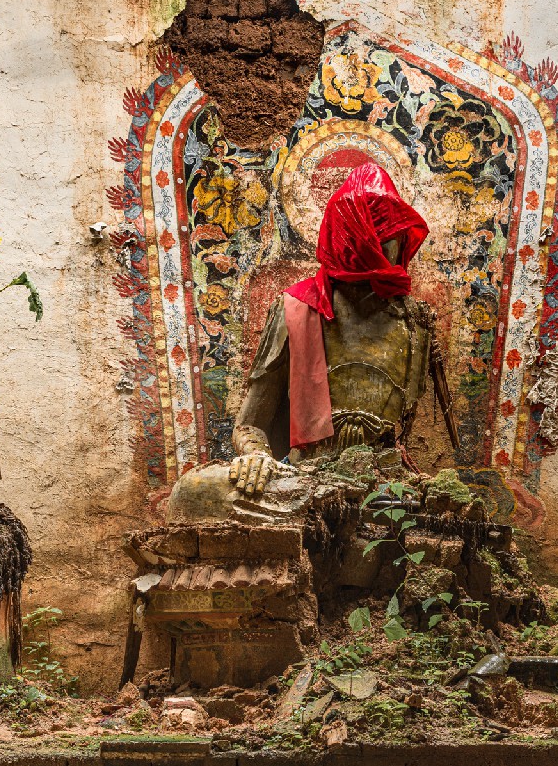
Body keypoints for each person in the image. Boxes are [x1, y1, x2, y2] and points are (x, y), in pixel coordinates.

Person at [167, 163, 438, 523]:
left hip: (386, 483)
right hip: (307, 481)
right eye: (380, 229)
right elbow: (250, 424)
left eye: (396, 231)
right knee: (194, 491)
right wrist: (256, 457)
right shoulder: (296, 308)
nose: (392, 242)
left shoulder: (416, 320)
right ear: (350, 232)